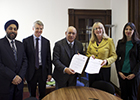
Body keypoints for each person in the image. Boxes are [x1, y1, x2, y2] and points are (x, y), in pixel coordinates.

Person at [23, 20, 52, 100]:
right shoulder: (26, 41)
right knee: (31, 94)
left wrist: (49, 73)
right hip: (30, 71)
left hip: (42, 71)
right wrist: (24, 73)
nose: (39, 30)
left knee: (42, 93)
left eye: (41, 29)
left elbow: (48, 59)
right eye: (37, 28)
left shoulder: (46, 42)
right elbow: (24, 58)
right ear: (33, 28)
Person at [0, 20, 27, 100]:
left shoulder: (20, 44)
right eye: (10, 28)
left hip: (19, 84)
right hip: (5, 84)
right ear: (6, 30)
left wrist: (20, 77)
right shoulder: (0, 44)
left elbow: (25, 61)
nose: (13, 31)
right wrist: (13, 77)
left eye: (15, 29)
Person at [86, 22, 117, 87]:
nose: (98, 30)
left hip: (104, 69)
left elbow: (114, 56)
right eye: (95, 28)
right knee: (92, 88)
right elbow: (87, 53)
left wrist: (107, 61)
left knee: (103, 90)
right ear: (93, 31)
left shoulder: (109, 41)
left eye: (100, 28)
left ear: (103, 29)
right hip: (93, 69)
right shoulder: (91, 41)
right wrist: (90, 56)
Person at [115, 22, 140, 100]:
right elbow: (117, 58)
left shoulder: (138, 43)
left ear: (134, 31)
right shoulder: (120, 42)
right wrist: (119, 71)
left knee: (132, 96)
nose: (128, 31)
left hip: (133, 74)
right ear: (124, 31)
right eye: (126, 29)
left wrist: (134, 73)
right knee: (124, 95)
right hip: (122, 73)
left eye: (130, 29)